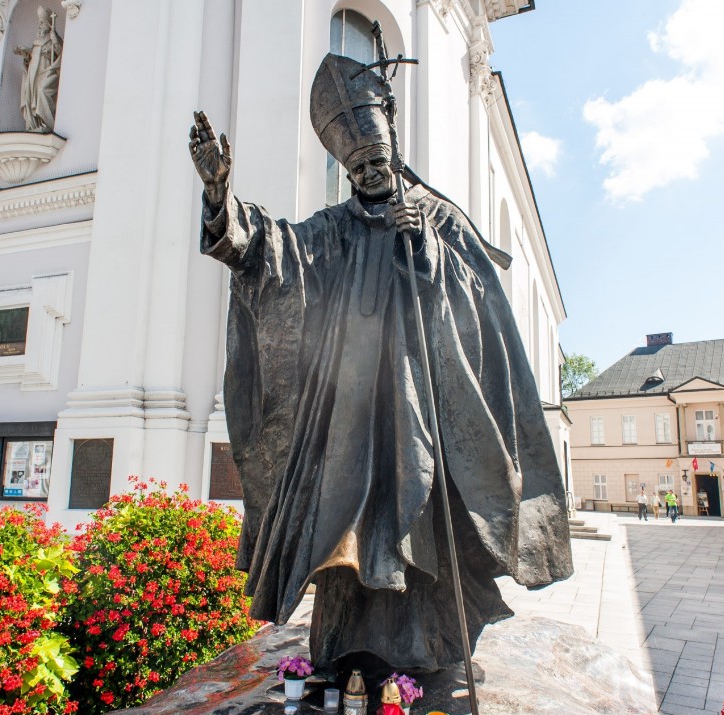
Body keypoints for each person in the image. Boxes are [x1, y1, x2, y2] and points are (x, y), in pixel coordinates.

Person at [188, 53, 573, 673]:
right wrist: (219, 198)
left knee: (424, 521)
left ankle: (432, 647)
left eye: (377, 160)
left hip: (424, 406)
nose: (369, 172)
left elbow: (479, 305)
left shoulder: (436, 216)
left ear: (393, 149)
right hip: (350, 414)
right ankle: (345, 647)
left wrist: (424, 245)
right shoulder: (335, 228)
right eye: (357, 165)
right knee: (349, 528)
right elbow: (272, 252)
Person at [15, 6, 63, 132]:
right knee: (30, 95)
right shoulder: (37, 40)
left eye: (42, 22)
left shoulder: (52, 38)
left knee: (42, 90)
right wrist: (26, 52)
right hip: (34, 73)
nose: (40, 25)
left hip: (46, 71)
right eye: (39, 23)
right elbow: (34, 56)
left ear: (48, 24)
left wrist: (55, 42)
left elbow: (60, 53)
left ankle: (47, 123)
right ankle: (34, 124)